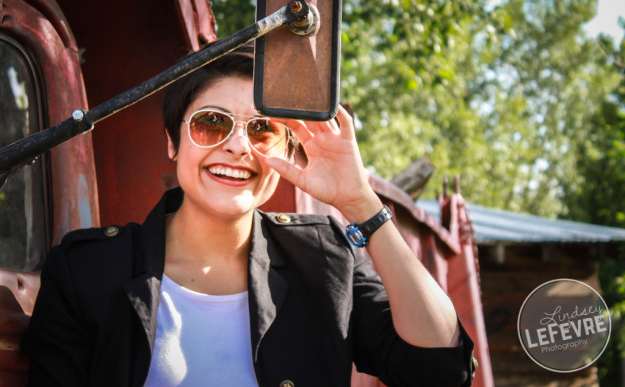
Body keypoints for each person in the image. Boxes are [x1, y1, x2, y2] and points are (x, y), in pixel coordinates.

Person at [21, 44, 476, 387]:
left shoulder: (326, 260)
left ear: (285, 151)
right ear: (173, 143)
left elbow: (439, 367)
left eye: (263, 131)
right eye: (212, 123)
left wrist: (362, 204)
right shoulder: (86, 271)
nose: (238, 146)